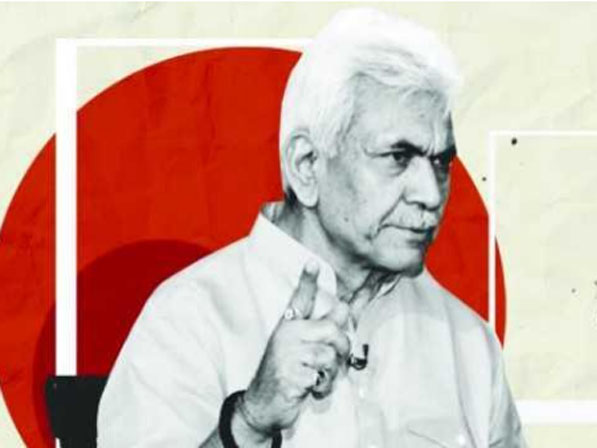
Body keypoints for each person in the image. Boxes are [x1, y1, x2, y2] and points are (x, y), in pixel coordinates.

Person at [97, 8, 525, 448]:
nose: (431, 194)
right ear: (306, 165)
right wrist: (249, 422)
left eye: (440, 162)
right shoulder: (188, 319)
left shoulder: (468, 342)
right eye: (398, 157)